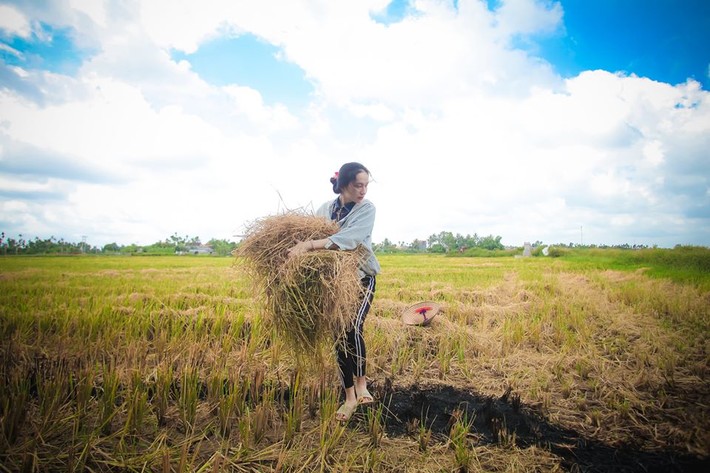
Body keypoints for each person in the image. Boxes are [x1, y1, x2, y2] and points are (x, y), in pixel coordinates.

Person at [287, 162, 381, 422]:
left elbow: (349, 240)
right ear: (343, 186)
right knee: (337, 334)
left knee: (352, 327)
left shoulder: (367, 209)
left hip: (362, 277)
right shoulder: (324, 210)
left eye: (365, 185)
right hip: (333, 282)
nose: (363, 191)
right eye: (357, 185)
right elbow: (311, 233)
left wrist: (309, 245)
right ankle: (349, 396)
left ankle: (361, 384)